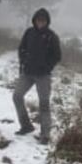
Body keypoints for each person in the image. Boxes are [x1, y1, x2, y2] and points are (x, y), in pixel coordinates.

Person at [13, 8, 62, 144]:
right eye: (38, 20)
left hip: (43, 76)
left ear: (47, 22)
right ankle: (26, 125)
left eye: (43, 21)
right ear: (34, 20)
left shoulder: (52, 36)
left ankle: (45, 135)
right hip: (27, 73)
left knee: (44, 104)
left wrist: (47, 66)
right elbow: (21, 48)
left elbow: (57, 56)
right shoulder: (29, 32)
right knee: (17, 96)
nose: (41, 23)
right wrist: (23, 61)